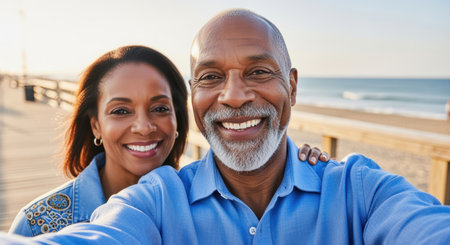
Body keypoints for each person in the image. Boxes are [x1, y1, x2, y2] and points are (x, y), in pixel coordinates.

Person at [7, 8, 444, 244]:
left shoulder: (359, 192)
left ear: (291, 86)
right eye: (212, 77)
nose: (234, 96)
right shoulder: (156, 201)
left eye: (258, 72)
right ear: (197, 98)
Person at [8, 45, 325, 237]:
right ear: (96, 124)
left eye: (160, 108)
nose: (144, 127)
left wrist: (294, 162)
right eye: (121, 110)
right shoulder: (41, 224)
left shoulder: (206, 202)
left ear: (177, 120)